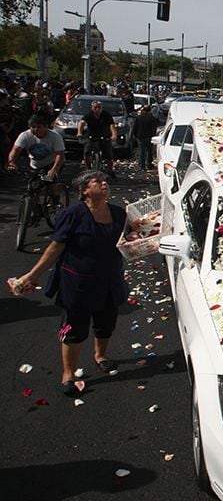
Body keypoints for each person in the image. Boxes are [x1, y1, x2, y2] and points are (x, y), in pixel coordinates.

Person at [12, 170, 128, 396]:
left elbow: (130, 239)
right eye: (97, 182)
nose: (104, 185)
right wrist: (32, 275)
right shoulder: (73, 214)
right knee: (75, 327)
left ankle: (100, 355)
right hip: (79, 283)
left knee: (106, 322)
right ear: (84, 190)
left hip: (109, 280)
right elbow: (55, 248)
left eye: (105, 182)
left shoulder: (118, 213)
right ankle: (68, 372)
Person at [6, 114, 65, 182]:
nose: (36, 129)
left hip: (52, 164)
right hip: (34, 166)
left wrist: (54, 169)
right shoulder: (25, 135)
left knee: (50, 183)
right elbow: (15, 150)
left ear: (46, 127)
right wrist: (11, 162)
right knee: (33, 186)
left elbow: (60, 154)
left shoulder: (55, 137)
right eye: (33, 127)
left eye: (39, 127)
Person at [77, 99, 117, 180]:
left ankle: (110, 170)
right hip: (91, 137)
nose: (97, 109)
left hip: (104, 137)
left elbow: (112, 126)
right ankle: (88, 169)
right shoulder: (89, 115)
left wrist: (114, 135)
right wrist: (79, 132)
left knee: (109, 156)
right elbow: (82, 123)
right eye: (95, 107)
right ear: (92, 108)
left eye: (99, 107)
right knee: (87, 152)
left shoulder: (106, 115)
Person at [133, 104, 158, 171]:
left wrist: (135, 135)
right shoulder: (152, 118)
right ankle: (148, 164)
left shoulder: (139, 117)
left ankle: (142, 166)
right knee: (149, 151)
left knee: (141, 151)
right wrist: (153, 135)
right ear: (150, 110)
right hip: (148, 137)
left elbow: (135, 127)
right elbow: (154, 128)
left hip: (140, 136)